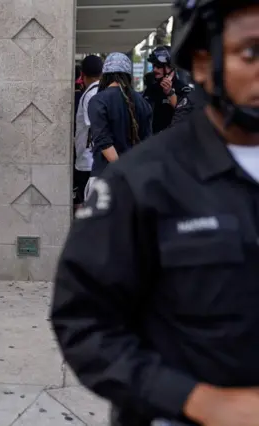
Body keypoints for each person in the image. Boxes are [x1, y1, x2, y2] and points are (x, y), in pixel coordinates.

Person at [50, 1, 259, 426]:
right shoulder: (140, 184)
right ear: (202, 63)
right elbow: (85, 321)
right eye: (251, 53)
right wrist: (198, 401)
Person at [84, 52, 152, 201]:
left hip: (105, 178)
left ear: (105, 75)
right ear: (128, 75)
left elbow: (104, 143)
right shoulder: (142, 102)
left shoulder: (98, 101)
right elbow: (147, 142)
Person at [73, 55, 103, 209]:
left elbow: (93, 126)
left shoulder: (90, 95)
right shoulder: (103, 91)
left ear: (82, 75)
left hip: (88, 160)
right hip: (97, 160)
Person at [143, 45, 193, 134]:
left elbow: (187, 114)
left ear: (171, 67)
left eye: (158, 66)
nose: (155, 69)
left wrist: (170, 93)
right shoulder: (151, 89)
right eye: (154, 66)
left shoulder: (183, 89)